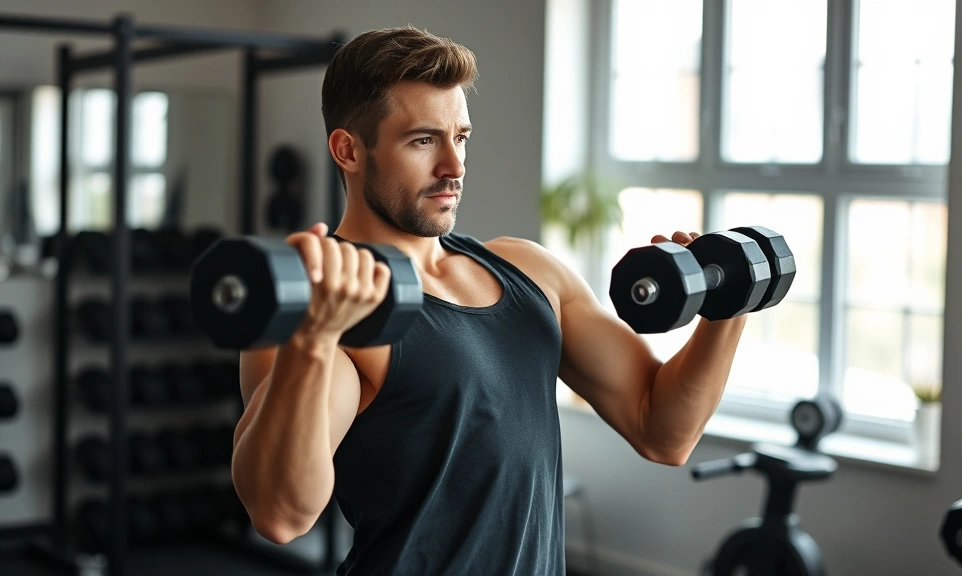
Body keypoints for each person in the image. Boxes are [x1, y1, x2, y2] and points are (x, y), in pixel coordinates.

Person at [231, 26, 746, 576]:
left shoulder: (530, 271)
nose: (454, 166)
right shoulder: (325, 310)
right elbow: (281, 513)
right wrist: (312, 340)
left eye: (462, 137)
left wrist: (727, 306)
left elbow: (663, 429)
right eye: (423, 140)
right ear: (349, 150)